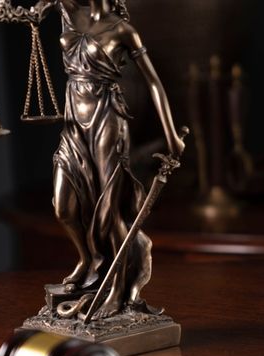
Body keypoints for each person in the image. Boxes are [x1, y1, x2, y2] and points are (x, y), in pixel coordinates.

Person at [48, 0, 184, 317]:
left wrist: (171, 134)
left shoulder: (123, 30)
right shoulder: (67, 10)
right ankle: (89, 258)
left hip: (106, 120)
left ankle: (117, 290)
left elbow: (153, 82)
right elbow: (30, 11)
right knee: (63, 206)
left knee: (109, 210)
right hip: (73, 123)